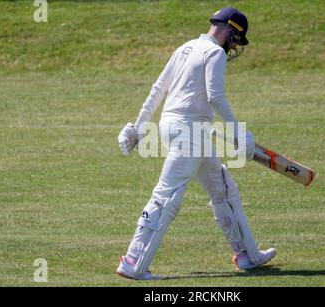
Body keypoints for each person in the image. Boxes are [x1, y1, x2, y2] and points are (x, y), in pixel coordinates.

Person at [116, 7, 276, 280]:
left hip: (179, 128)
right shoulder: (213, 53)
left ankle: (248, 255)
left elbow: (158, 88)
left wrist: (139, 126)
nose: (234, 45)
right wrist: (239, 133)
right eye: (236, 39)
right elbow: (215, 96)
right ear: (228, 29)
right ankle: (133, 261)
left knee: (223, 189)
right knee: (167, 196)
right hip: (189, 131)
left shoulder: (185, 48)